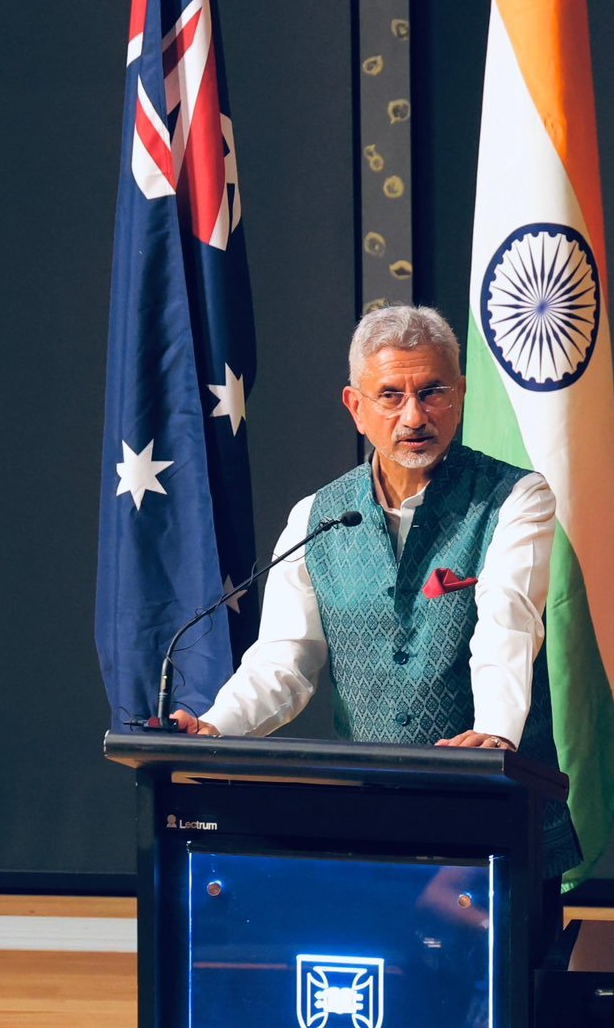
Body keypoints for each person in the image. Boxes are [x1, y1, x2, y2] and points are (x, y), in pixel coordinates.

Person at [171, 304, 576, 872]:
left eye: (433, 391)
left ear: (461, 394)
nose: (414, 416)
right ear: (355, 407)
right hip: (371, 813)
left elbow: (507, 621)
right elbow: (284, 662)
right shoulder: (316, 515)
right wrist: (214, 726)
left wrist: (493, 733)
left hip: (493, 809)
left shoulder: (515, 497)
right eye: (391, 395)